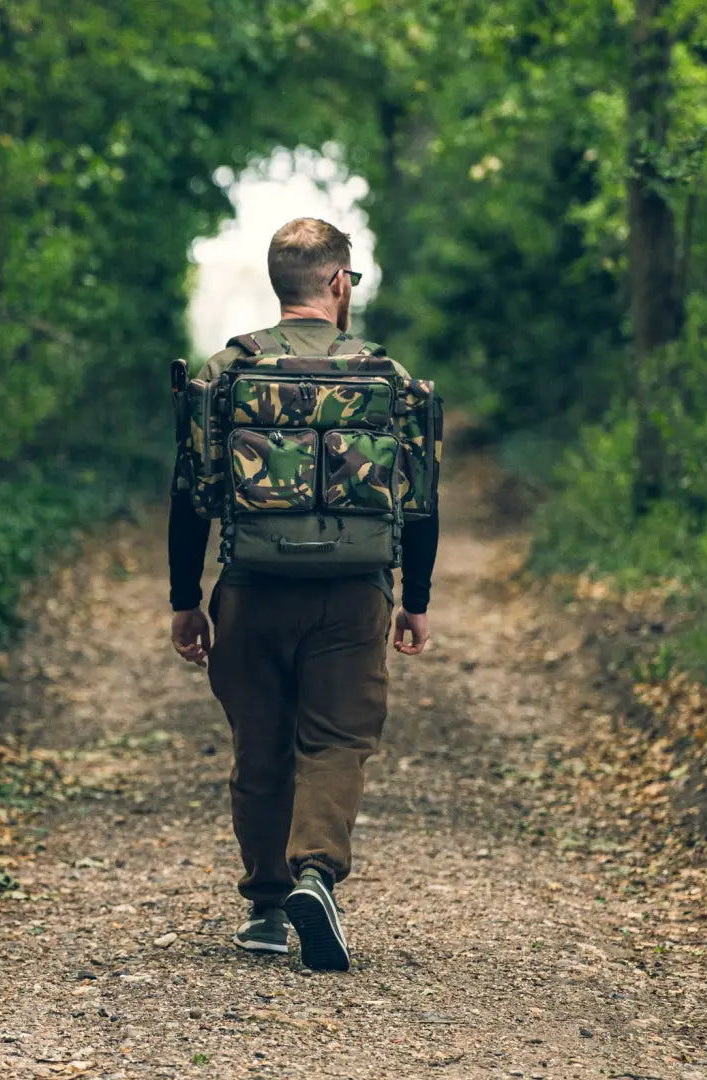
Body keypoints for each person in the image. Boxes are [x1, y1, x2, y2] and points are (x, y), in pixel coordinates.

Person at [168, 217, 439, 971]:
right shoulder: (388, 377)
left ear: (279, 284)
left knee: (262, 744)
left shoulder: (226, 371)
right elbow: (420, 502)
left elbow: (190, 495)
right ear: (340, 283)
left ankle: (264, 906)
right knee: (337, 740)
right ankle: (315, 874)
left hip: (251, 590)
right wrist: (415, 597)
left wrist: (184, 596)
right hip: (353, 593)